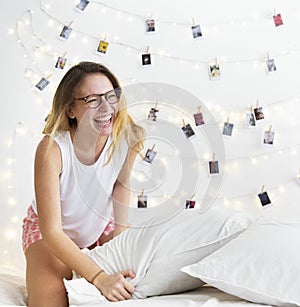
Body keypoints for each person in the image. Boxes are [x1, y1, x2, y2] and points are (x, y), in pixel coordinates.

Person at [21, 61, 145, 306]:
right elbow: (53, 231)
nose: (106, 107)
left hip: (99, 228)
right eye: (92, 100)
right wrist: (99, 277)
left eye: (111, 96)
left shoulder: (128, 137)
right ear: (70, 110)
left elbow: (120, 184)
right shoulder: (52, 149)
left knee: (135, 282)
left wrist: (119, 236)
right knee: (51, 301)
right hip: (51, 233)